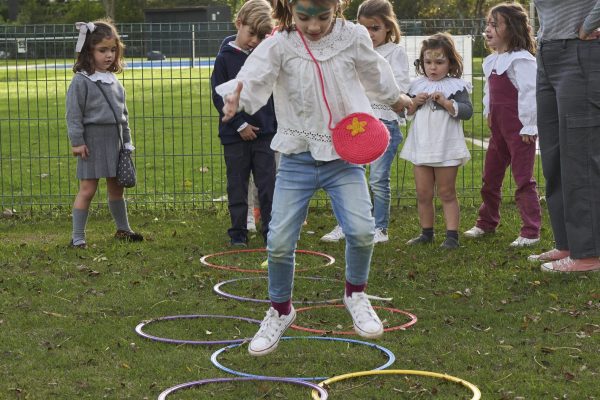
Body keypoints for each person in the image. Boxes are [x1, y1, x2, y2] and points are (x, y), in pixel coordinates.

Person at [216, 0, 412, 356]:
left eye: (323, 17)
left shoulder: (351, 36)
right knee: (278, 242)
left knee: (362, 230)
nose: (314, 26)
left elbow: (374, 70)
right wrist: (236, 98)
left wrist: (395, 98)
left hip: (344, 157)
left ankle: (355, 294)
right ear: (290, 7)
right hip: (296, 157)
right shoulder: (279, 43)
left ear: (337, 6)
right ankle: (279, 310)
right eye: (304, 17)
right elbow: (254, 75)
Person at [320, 0, 410, 244]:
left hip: (384, 123)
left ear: (388, 28)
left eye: (375, 28)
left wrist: (378, 87)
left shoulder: (394, 53)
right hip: (355, 125)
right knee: (347, 177)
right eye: (364, 27)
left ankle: (379, 228)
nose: (369, 34)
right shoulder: (353, 48)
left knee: (378, 180)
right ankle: (345, 224)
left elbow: (399, 88)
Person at [530, 0, 600, 272]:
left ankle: (590, 253)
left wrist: (589, 24)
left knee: (579, 157)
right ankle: (569, 243)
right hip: (548, 50)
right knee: (554, 155)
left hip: (581, 49)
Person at [464, 3, 541, 247]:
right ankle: (486, 223)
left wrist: (529, 126)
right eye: (487, 23)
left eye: (495, 24)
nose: (488, 29)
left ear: (513, 28)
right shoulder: (491, 61)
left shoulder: (522, 60)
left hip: (519, 132)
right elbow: (489, 91)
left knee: (523, 180)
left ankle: (531, 231)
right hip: (498, 131)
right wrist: (488, 112)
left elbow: (530, 93)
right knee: (490, 178)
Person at [66, 19, 143, 249]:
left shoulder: (114, 81)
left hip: (115, 142)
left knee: (116, 189)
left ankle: (123, 229)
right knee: (88, 190)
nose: (109, 55)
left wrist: (127, 143)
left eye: (112, 50)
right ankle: (77, 237)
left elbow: (123, 115)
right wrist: (77, 142)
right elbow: (73, 114)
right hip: (91, 143)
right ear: (89, 51)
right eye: (102, 50)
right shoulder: (82, 81)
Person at [210, 0, 277, 247]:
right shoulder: (224, 59)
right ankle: (238, 233)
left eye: (262, 37)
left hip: (266, 134)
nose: (255, 41)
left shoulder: (266, 57)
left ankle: (271, 232)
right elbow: (220, 95)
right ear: (239, 24)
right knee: (237, 187)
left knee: (268, 186)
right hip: (234, 137)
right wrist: (240, 125)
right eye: (251, 34)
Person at [400, 32, 472, 249]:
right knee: (423, 193)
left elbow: (467, 112)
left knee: (447, 192)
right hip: (421, 145)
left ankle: (451, 236)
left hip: (446, 146)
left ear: (450, 63)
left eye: (439, 62)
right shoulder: (415, 86)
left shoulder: (456, 86)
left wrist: (449, 104)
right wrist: (414, 102)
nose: (433, 67)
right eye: (428, 62)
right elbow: (406, 112)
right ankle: (426, 233)